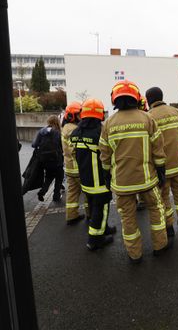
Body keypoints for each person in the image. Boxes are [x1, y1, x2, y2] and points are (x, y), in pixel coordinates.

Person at [99, 80, 169, 263]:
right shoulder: (147, 119)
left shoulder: (108, 124)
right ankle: (160, 246)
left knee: (128, 218)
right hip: (147, 181)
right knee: (156, 210)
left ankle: (134, 254)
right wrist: (161, 171)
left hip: (122, 184)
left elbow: (104, 156)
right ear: (136, 98)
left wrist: (106, 175)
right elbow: (158, 149)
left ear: (114, 99)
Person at [70, 99, 117, 250]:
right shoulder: (100, 132)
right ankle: (95, 240)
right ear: (100, 114)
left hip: (85, 179)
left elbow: (73, 153)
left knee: (92, 206)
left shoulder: (76, 132)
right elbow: (109, 153)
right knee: (101, 208)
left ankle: (103, 228)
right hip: (100, 180)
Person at [146, 87, 178, 236]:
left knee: (163, 198)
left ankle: (169, 226)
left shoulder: (148, 117)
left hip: (161, 169)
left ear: (148, 100)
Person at [61, 101, 88, 225]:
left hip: (69, 167)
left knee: (72, 193)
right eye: (78, 114)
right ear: (72, 115)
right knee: (88, 192)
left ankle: (71, 215)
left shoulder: (65, 128)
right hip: (79, 168)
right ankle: (90, 215)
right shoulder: (74, 129)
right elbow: (76, 150)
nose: (81, 117)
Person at [32, 115, 64, 202]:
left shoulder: (41, 131)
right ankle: (56, 196)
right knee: (59, 177)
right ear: (57, 122)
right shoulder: (58, 132)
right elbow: (63, 147)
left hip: (44, 160)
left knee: (49, 177)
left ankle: (42, 192)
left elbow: (34, 144)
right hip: (57, 160)